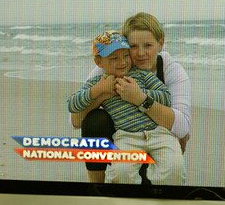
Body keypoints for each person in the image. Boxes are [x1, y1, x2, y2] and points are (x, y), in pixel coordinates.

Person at [71, 12, 191, 184]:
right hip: (126, 137)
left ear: (160, 43)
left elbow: (182, 128)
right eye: (133, 46)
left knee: (170, 171)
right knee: (94, 120)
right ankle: (97, 187)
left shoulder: (172, 71)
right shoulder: (110, 66)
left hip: (159, 138)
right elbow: (75, 121)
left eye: (148, 45)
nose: (141, 53)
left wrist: (140, 98)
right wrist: (102, 92)